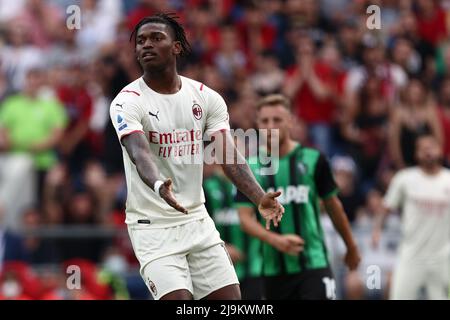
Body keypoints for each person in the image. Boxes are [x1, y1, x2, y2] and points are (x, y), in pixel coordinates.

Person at [109, 13, 284, 300]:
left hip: (197, 220)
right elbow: (138, 151)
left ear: (176, 47)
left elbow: (228, 155)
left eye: (156, 38)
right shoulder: (126, 101)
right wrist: (157, 185)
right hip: (152, 227)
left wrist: (259, 196)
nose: (146, 45)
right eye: (141, 41)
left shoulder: (206, 97)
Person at [236, 94, 360, 300]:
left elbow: (333, 206)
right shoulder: (249, 168)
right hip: (271, 271)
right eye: (265, 121)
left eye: (277, 120)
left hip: (313, 263)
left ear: (291, 121)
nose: (271, 126)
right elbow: (244, 218)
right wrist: (275, 240)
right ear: (257, 124)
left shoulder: (313, 159)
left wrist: (351, 245)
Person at [372, 134, 450, 300]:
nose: (428, 151)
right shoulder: (405, 178)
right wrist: (377, 230)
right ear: (416, 154)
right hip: (411, 255)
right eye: (423, 148)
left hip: (443, 258)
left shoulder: (448, 180)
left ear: (441, 151)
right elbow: (386, 206)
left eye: (432, 147)